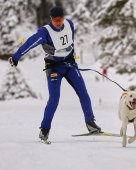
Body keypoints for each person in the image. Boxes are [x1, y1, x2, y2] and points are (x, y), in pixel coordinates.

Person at [9, 6, 102, 141]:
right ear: (51, 19)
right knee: (54, 99)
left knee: (83, 93)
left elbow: (70, 42)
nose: (58, 23)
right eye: (55, 20)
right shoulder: (44, 32)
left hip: (69, 65)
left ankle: (91, 124)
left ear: (64, 18)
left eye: (61, 19)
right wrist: (16, 57)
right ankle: (44, 130)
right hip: (54, 68)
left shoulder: (69, 24)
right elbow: (29, 43)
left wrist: (71, 56)